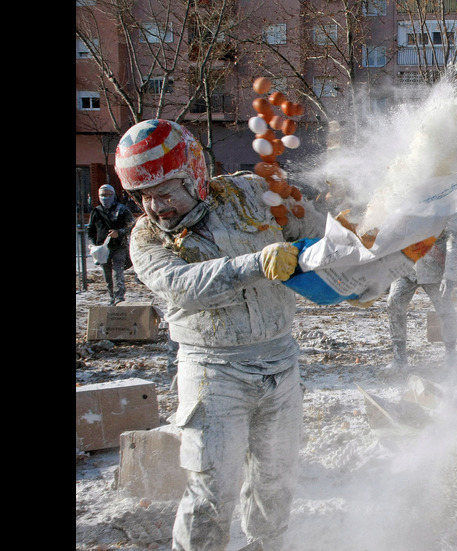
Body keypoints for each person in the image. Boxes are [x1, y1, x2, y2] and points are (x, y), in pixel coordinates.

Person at [116, 119, 326, 551]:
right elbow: (186, 286)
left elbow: (308, 230)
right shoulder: (146, 239)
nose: (157, 206)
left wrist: (351, 254)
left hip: (280, 363)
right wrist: (256, 263)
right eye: (145, 196)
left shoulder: (248, 192)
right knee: (212, 490)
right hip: (215, 372)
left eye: (166, 190)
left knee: (275, 481)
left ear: (194, 172)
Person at [386, 213, 457, 369]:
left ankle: (451, 354)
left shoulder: (447, 202)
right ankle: (399, 358)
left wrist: (449, 275)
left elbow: (453, 240)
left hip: (434, 265)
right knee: (394, 302)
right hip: (406, 266)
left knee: (444, 306)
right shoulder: (406, 197)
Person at [87, 183, 136, 305]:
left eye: (108, 195)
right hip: (102, 249)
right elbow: (91, 230)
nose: (105, 197)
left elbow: (132, 226)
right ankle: (111, 298)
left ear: (113, 195)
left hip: (119, 247)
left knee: (117, 273)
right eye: (103, 195)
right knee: (107, 275)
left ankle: (119, 298)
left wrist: (118, 233)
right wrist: (93, 244)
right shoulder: (97, 212)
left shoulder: (122, 210)